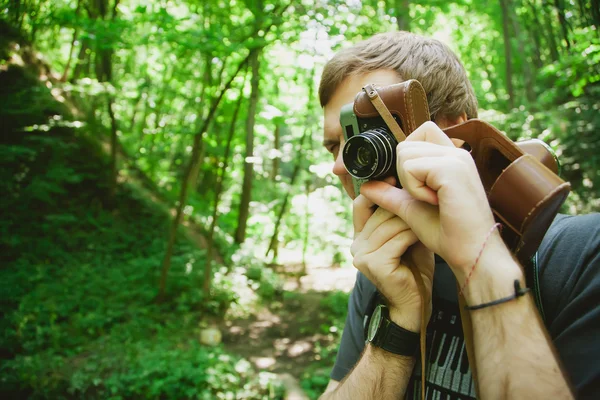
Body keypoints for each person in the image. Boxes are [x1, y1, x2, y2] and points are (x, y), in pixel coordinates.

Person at [318, 31, 600, 399]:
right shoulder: (383, 267)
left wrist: (482, 265)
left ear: (452, 131)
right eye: (334, 146)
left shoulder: (581, 257)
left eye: (365, 136)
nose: (341, 165)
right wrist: (400, 320)